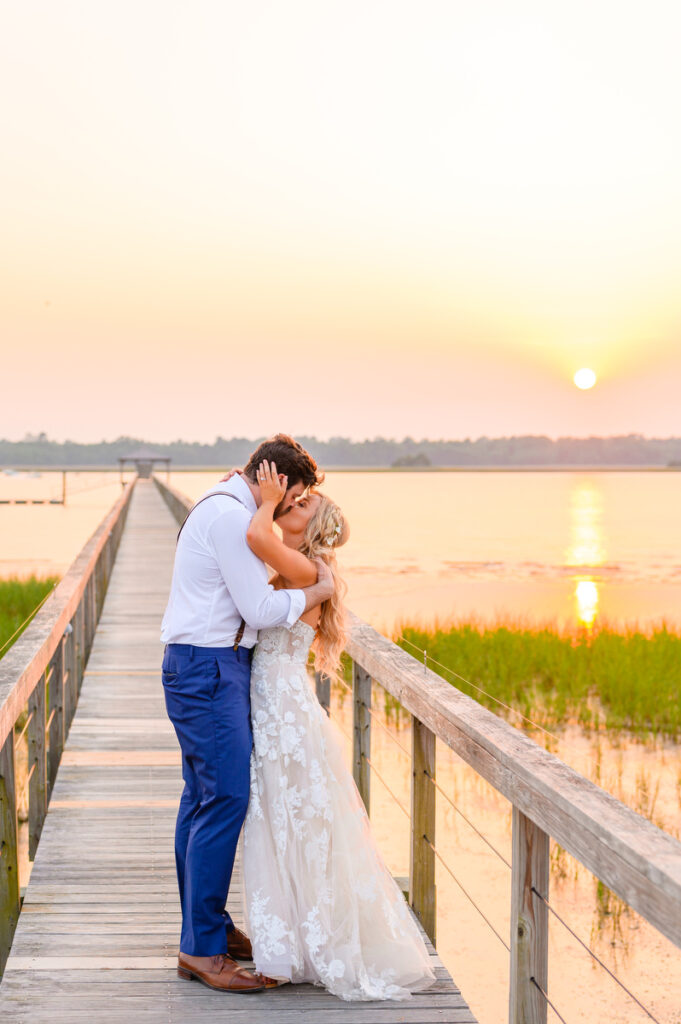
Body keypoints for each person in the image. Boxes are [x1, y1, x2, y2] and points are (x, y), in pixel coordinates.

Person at [241, 459, 436, 1001]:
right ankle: (291, 944)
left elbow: (255, 535)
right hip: (277, 703)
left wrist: (262, 497)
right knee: (281, 821)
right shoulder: (308, 571)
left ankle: (292, 952)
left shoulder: (304, 569)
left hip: (280, 706)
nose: (290, 504)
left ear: (314, 524)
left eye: (301, 504)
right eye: (293, 500)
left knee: (290, 822)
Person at [160, 435, 335, 993]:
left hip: (206, 665)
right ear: (277, 481)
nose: (294, 505)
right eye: (297, 494)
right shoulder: (231, 518)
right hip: (208, 669)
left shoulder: (227, 507)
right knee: (225, 799)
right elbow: (259, 609)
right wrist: (317, 592)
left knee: (202, 799)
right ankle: (203, 951)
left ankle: (207, 927)